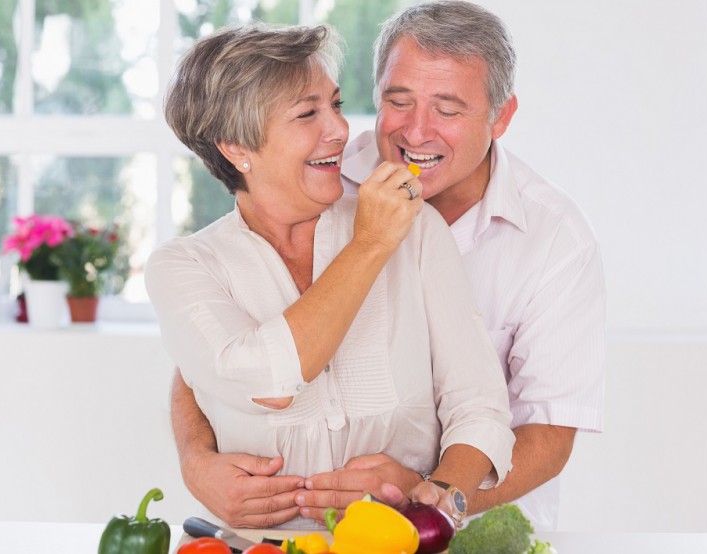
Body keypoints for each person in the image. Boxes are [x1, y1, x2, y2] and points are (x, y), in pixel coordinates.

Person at [170, 0, 606, 531]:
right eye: (398, 101)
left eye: (447, 110)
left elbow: (547, 429)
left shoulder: (555, 239)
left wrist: (428, 502)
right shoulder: (319, 176)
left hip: (470, 528)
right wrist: (197, 462)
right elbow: (214, 351)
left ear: (501, 116)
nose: (416, 133)